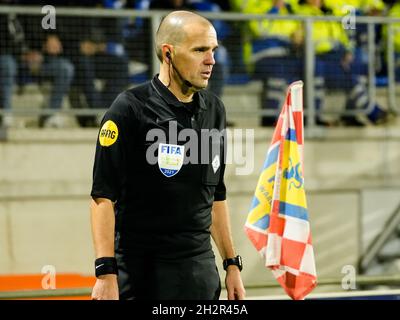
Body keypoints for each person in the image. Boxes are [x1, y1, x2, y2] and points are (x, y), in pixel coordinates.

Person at [90, 10, 245, 300]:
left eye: (213, 50)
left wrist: (231, 265)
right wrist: (105, 273)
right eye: (200, 50)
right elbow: (102, 197)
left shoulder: (215, 110)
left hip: (200, 274)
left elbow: (215, 198)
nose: (211, 60)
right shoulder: (129, 109)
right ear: (168, 54)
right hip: (141, 275)